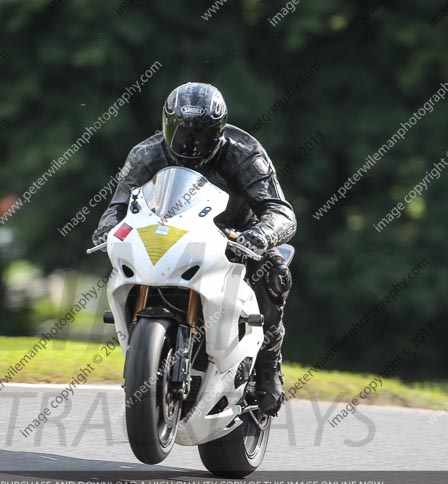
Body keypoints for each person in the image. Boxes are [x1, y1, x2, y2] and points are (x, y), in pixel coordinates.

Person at [92, 82, 296, 415]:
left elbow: (280, 210)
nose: (190, 142)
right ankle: (140, 344)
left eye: (201, 134)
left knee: (275, 272)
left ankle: (269, 365)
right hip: (168, 234)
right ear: (166, 125)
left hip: (234, 236)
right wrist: (107, 228)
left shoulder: (246, 153)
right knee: (122, 258)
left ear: (219, 130)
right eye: (182, 132)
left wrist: (260, 234)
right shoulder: (146, 154)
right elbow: (118, 205)